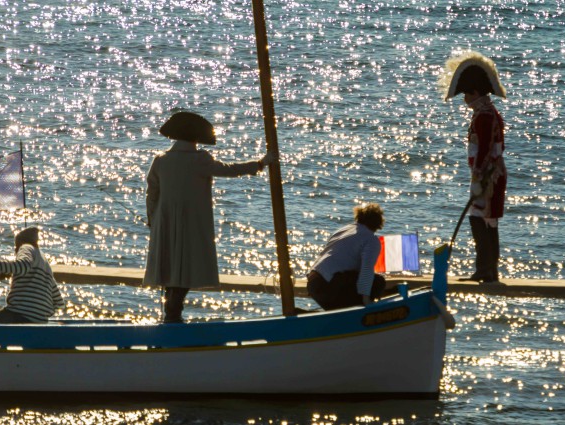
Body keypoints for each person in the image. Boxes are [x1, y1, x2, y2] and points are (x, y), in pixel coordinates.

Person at [143, 111, 276, 323]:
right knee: (183, 270)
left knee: (169, 270)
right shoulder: (200, 159)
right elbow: (230, 170)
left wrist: (153, 220)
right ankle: (174, 314)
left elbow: (152, 194)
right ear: (196, 137)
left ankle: (172, 313)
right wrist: (260, 164)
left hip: (164, 222)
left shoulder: (160, 160)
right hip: (191, 224)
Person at [440, 51, 508, 283]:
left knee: (480, 219)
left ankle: (484, 270)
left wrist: (480, 176)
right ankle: (489, 270)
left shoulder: (484, 116)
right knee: (488, 221)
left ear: (475, 92)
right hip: (490, 175)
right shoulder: (487, 113)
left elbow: (485, 150)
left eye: (467, 94)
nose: (465, 99)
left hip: (487, 176)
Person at [306, 203, 389, 310]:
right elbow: (366, 271)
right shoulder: (371, 239)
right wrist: (366, 300)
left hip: (313, 282)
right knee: (378, 282)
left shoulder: (344, 230)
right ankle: (361, 311)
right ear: (378, 223)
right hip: (327, 285)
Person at [0, 227, 65, 324]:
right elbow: (59, 302)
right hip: (40, 321)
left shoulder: (26, 247)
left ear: (21, 242)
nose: (16, 251)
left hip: (18, 314)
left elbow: (23, 266)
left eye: (16, 246)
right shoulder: (44, 262)